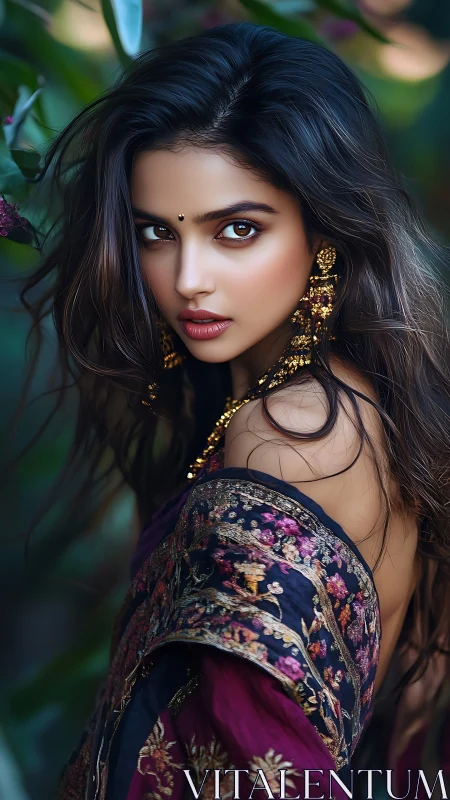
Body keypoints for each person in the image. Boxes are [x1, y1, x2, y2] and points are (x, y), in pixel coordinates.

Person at [19, 21, 449, 800]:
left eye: (237, 230)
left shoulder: (292, 434)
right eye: (156, 232)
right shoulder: (355, 400)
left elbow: (260, 773)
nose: (189, 280)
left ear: (324, 230)